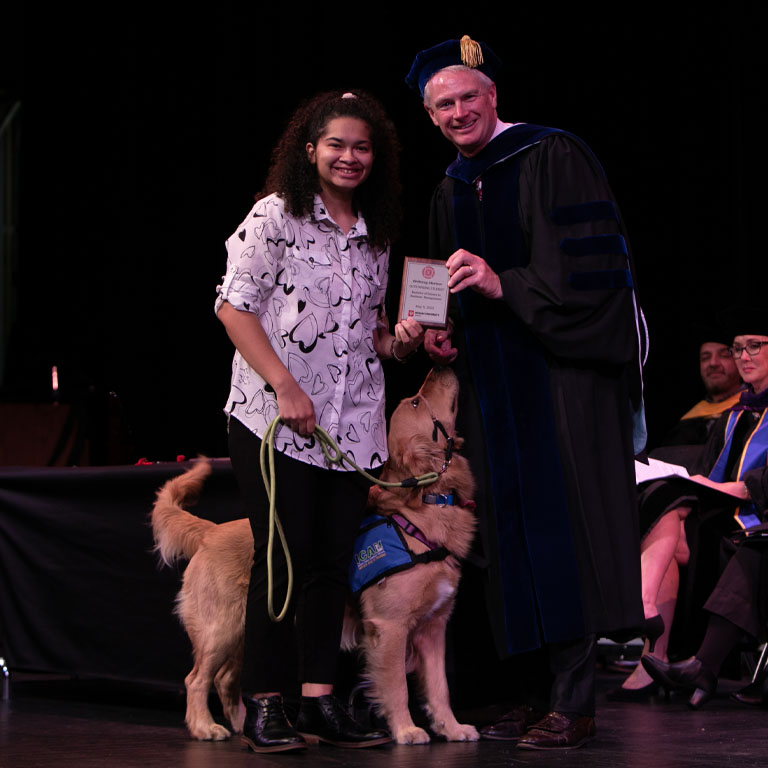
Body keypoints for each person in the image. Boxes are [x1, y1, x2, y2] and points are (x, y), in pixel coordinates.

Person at [405, 36, 647, 749]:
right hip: (491, 391)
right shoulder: (450, 188)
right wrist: (443, 333)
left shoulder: (555, 155)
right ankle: (528, 693)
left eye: (467, 98)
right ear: (430, 116)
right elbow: (446, 293)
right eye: (442, 105)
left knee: (561, 529)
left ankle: (574, 700)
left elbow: (593, 280)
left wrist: (504, 283)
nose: (457, 113)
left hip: (560, 381)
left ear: (492, 96)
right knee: (503, 538)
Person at [215, 90, 424, 753]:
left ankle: (317, 700)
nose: (349, 156)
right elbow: (233, 308)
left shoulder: (374, 231)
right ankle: (265, 702)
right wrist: (285, 386)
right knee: (283, 559)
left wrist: (401, 341)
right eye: (336, 144)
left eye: (362, 147)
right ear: (309, 150)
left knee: (332, 567)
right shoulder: (275, 216)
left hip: (351, 428)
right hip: (275, 421)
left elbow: (372, 335)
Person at [621, 310, 768, 703]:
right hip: (724, 516)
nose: (743, 356)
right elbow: (709, 468)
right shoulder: (737, 414)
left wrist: (739, 489)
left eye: (754, 347)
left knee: (684, 523)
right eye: (738, 348)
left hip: (757, 518)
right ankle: (654, 652)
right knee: (665, 515)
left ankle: (684, 659)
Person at [651, 329, 743, 469]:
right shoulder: (687, 418)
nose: (713, 363)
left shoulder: (749, 412)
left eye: (724, 355)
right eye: (705, 358)